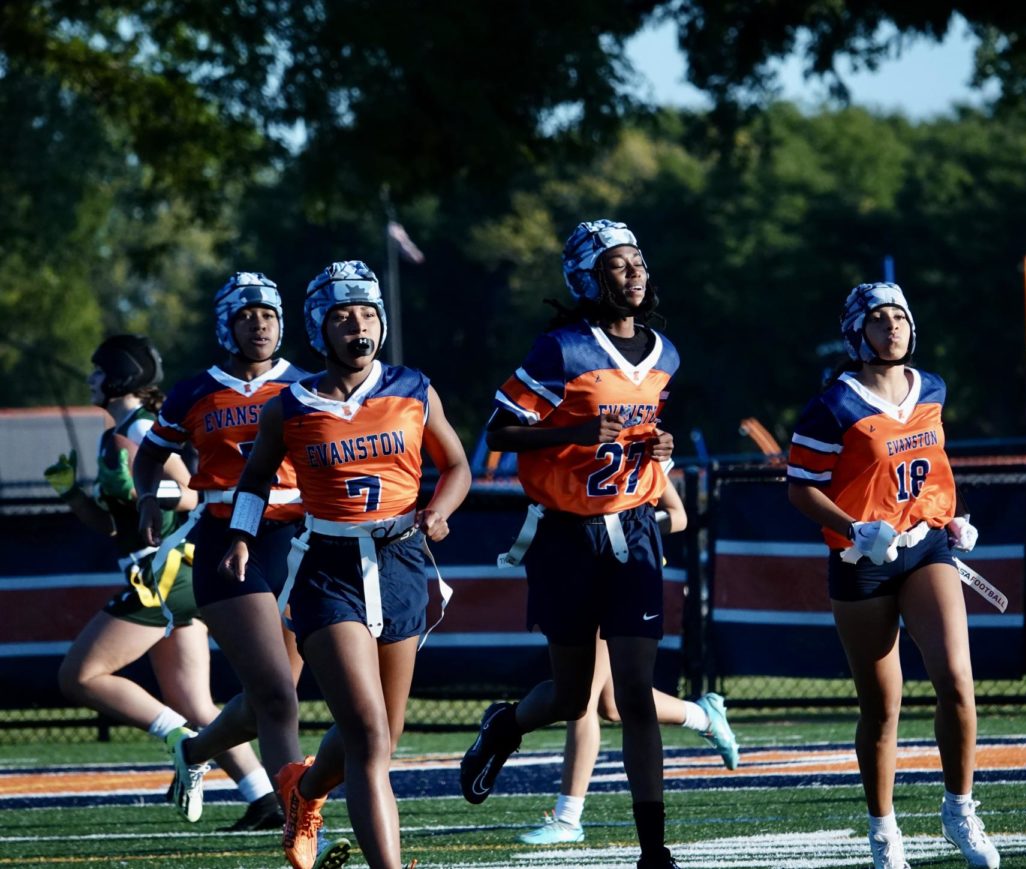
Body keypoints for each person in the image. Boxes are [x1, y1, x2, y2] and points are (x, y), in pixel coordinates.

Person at [220, 260, 471, 869]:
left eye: (365, 312)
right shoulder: (291, 404)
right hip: (329, 567)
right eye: (341, 315)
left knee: (385, 734)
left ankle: (303, 792)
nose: (356, 324)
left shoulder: (414, 387)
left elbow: (457, 465)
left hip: (402, 560)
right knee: (366, 736)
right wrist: (241, 535)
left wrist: (439, 510)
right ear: (318, 329)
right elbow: (254, 477)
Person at [460, 219, 682, 869]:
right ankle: (502, 727)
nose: (633, 273)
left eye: (638, 260)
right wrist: (576, 432)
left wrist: (658, 450)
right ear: (586, 277)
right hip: (565, 533)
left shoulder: (664, 351)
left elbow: (643, 426)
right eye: (617, 264)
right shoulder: (559, 350)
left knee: (635, 693)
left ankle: (653, 848)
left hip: (634, 528)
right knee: (570, 694)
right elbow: (500, 432)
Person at [785, 282, 1000, 869]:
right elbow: (800, 486)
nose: (893, 327)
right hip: (863, 562)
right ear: (857, 332)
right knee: (882, 707)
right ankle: (884, 832)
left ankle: (960, 809)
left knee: (956, 679)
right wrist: (854, 528)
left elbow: (926, 464)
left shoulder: (931, 387)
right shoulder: (833, 404)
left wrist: (949, 514)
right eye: (879, 319)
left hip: (925, 548)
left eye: (900, 316)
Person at [45, 334, 269, 826]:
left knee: (80, 676)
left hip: (166, 570)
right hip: (162, 569)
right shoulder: (118, 432)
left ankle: (181, 743)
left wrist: (153, 492)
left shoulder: (143, 427)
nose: (90, 379)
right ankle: (264, 796)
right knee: (192, 698)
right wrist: (73, 496)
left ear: (121, 375)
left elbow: (193, 493)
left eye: (98, 370)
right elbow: (112, 527)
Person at [133, 273, 309, 832]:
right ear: (225, 326)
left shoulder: (306, 385)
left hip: (299, 541)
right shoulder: (194, 391)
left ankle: (193, 750)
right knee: (279, 699)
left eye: (268, 315)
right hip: (224, 541)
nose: (260, 325)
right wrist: (145, 498)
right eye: (247, 316)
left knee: (268, 699)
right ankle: (300, 825)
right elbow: (150, 456)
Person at [516, 479, 739, 845]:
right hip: (579, 567)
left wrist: (630, 526)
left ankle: (569, 816)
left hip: (623, 575)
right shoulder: (576, 447)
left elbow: (679, 516)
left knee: (587, 699)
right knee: (611, 704)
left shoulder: (636, 446)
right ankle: (703, 715)